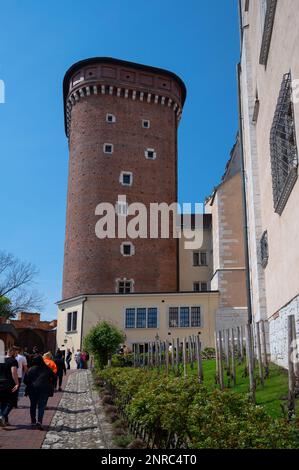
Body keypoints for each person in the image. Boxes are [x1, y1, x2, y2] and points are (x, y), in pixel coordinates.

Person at [24, 355, 55, 430]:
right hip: (44, 390)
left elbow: (25, 380)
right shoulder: (47, 369)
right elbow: (54, 377)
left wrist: (30, 383)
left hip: (32, 389)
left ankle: (33, 421)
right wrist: (51, 383)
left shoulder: (30, 369)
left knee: (33, 405)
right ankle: (39, 421)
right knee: (41, 406)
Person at [0, 347, 19, 426]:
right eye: (16, 353)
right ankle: (3, 416)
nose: (16, 354)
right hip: (8, 383)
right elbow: (13, 372)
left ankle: (5, 421)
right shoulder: (13, 361)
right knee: (12, 402)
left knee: (3, 402)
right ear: (12, 352)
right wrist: (17, 383)